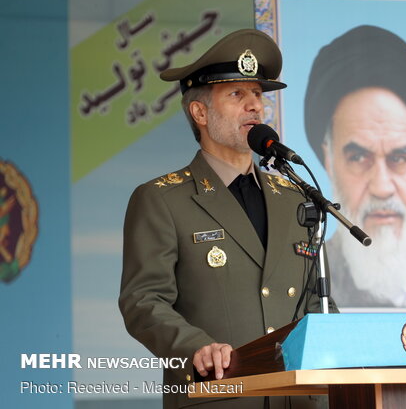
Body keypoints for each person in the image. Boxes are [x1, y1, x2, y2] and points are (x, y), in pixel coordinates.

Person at [119, 29, 336, 409]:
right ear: (200, 112)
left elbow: (318, 303)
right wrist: (195, 347)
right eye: (237, 94)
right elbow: (143, 301)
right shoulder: (161, 199)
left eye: (257, 94)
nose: (254, 106)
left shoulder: (296, 198)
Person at [304, 25, 406, 308]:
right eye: (358, 158)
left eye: (399, 159)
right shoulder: (303, 281)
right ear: (328, 160)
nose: (382, 187)